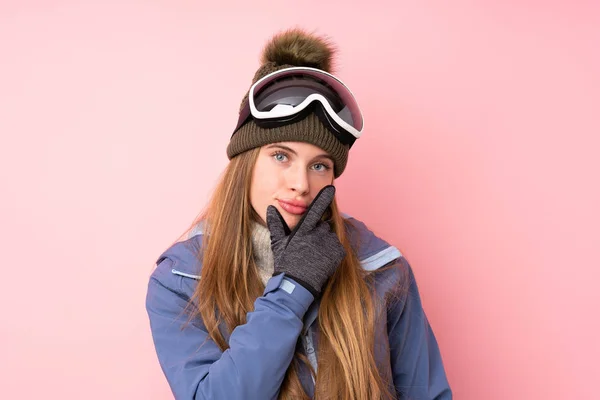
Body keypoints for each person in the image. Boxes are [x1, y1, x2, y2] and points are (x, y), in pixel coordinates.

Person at [145, 28, 452, 400]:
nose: (301, 183)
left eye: (320, 166)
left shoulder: (382, 268)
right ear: (246, 162)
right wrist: (292, 287)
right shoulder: (180, 278)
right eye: (280, 156)